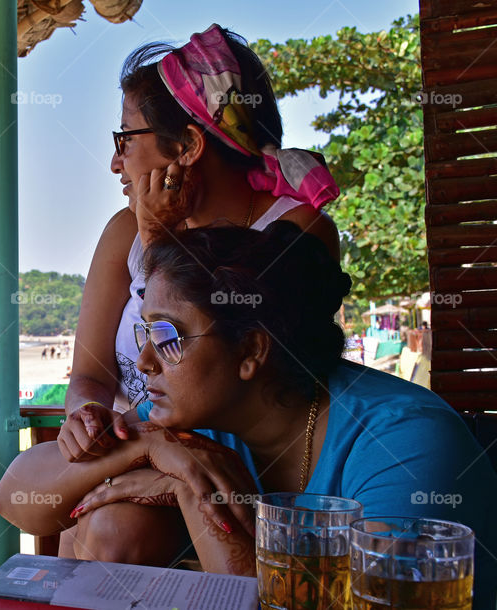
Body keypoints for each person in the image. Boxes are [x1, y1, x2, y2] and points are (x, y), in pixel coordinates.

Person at [0, 222, 497, 606]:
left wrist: (189, 491)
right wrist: (152, 447)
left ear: (252, 351)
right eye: (145, 334)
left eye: (168, 338)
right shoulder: (191, 419)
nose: (145, 360)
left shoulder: (407, 445)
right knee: (115, 525)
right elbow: (15, 498)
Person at [63, 24, 340, 472]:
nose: (116, 161)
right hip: (137, 451)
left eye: (126, 138)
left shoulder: (297, 229)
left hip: (235, 468)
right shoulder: (122, 231)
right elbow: (89, 374)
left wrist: (157, 234)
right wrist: (84, 414)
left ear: (189, 145)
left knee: (110, 532)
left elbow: (211, 361)